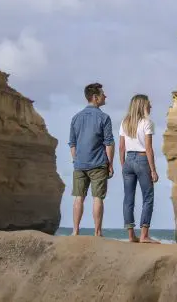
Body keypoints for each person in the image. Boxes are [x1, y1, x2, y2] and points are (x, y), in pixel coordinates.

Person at [68, 82, 115, 237]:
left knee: (79, 197)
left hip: (79, 164)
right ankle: (97, 232)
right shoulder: (104, 117)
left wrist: (76, 160)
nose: (105, 96)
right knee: (97, 198)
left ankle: (75, 231)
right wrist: (111, 163)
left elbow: (72, 143)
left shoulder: (75, 118)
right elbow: (109, 143)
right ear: (95, 98)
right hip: (98, 163)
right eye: (102, 94)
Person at [119, 94, 160, 243]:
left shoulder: (124, 122)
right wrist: (153, 170)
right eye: (149, 104)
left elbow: (121, 147)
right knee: (148, 197)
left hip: (128, 160)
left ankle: (131, 236)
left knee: (128, 199)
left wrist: (123, 165)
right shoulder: (147, 123)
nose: (151, 106)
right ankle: (144, 235)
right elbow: (149, 148)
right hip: (143, 159)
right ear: (142, 105)